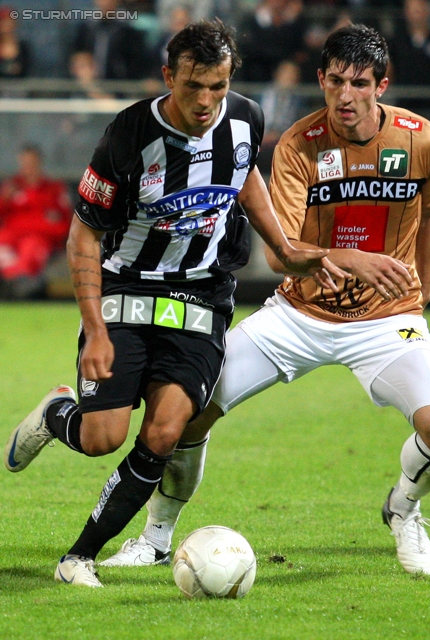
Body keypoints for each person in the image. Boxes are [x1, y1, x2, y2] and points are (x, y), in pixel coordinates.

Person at [101, 23, 430, 578]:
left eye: (359, 83)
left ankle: (404, 509)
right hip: (297, 315)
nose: (346, 95)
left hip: (387, 319)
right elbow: (283, 252)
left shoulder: (425, 139)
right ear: (320, 79)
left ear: (381, 86)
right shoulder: (299, 145)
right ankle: (156, 537)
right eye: (336, 81)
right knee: (187, 411)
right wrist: (359, 260)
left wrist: (426, 286)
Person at [3, 19, 347, 588]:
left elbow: (245, 178)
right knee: (102, 437)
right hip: (127, 289)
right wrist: (95, 329)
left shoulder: (244, 117)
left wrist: (284, 248)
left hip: (202, 293)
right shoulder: (128, 135)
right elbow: (83, 236)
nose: (207, 101)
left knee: (165, 432)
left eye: (218, 85)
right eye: (194, 86)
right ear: (169, 77)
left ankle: (79, 557)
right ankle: (56, 415)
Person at [0, 145, 72, 298]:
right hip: (11, 239)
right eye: (24, 163)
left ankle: (17, 286)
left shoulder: (53, 189)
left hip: (39, 240)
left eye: (31, 163)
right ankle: (12, 282)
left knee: (31, 248)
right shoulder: (11, 188)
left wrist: (41, 227)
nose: (28, 167)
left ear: (39, 163)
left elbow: (63, 225)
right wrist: (4, 200)